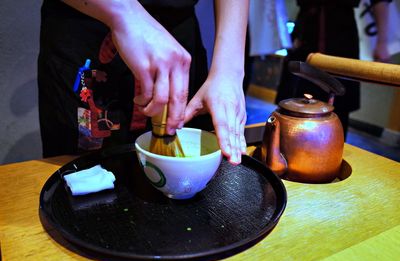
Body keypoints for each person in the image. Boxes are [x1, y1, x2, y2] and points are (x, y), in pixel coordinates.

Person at [38, 0, 249, 165]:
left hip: (179, 54)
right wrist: (123, 12)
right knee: (82, 180)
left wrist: (229, 70)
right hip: (88, 43)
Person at [275, 0, 391, 138]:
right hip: (305, 29)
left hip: (339, 33)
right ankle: (289, 144)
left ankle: (331, 150)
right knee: (292, 98)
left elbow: (379, 1)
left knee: (339, 103)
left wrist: (382, 42)